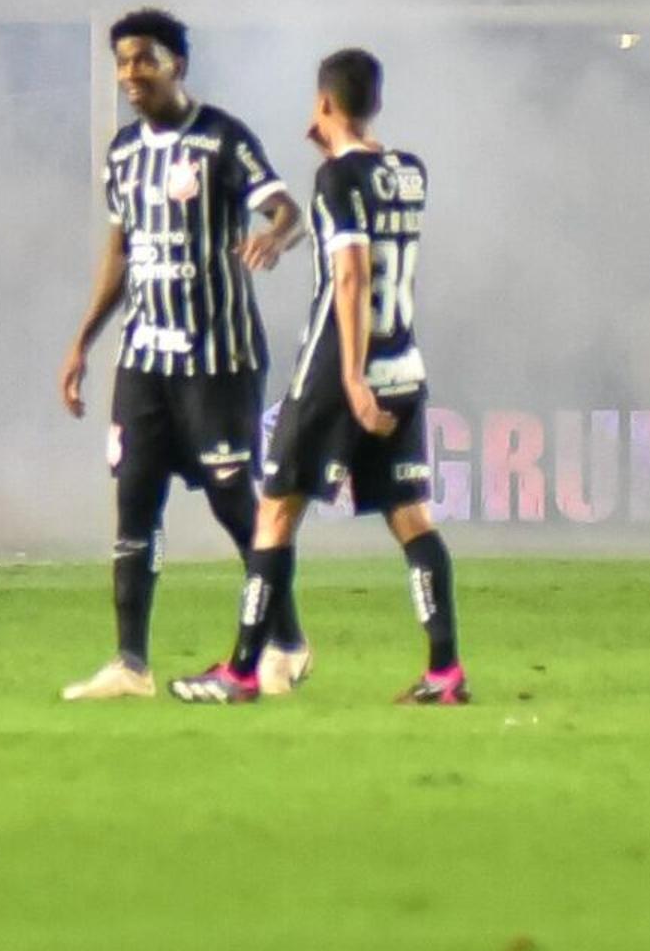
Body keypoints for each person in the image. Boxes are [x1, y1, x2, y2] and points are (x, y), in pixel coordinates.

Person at [174, 49, 462, 707]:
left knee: (274, 512)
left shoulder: (336, 182)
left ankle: (244, 669)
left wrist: (353, 380)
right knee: (412, 518)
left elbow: (352, 274)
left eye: (316, 103)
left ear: (325, 104)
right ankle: (446, 671)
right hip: (403, 363)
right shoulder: (409, 172)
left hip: (340, 369)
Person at [55, 9, 301, 700]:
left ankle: (286, 640)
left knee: (234, 504)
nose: (131, 74)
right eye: (123, 62)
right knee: (134, 502)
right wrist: (82, 342)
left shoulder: (222, 138)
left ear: (177, 66)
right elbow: (120, 253)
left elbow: (287, 209)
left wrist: (273, 241)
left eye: (144, 60)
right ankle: (130, 663)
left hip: (217, 361)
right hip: (144, 360)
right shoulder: (125, 153)